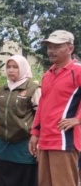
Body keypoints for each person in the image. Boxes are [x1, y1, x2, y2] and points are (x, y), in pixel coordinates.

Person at [29, 30, 81, 186]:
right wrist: (35, 133)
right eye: (49, 46)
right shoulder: (47, 75)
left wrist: (77, 119)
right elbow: (42, 106)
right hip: (45, 139)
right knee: (44, 182)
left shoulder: (77, 71)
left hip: (65, 141)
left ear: (70, 48)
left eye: (57, 46)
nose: (51, 50)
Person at [0, 55, 40, 186]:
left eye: (15, 67)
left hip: (23, 145)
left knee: (23, 178)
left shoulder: (34, 89)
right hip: (3, 145)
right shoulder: (3, 89)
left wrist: (39, 140)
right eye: (8, 67)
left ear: (23, 68)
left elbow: (40, 117)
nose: (11, 70)